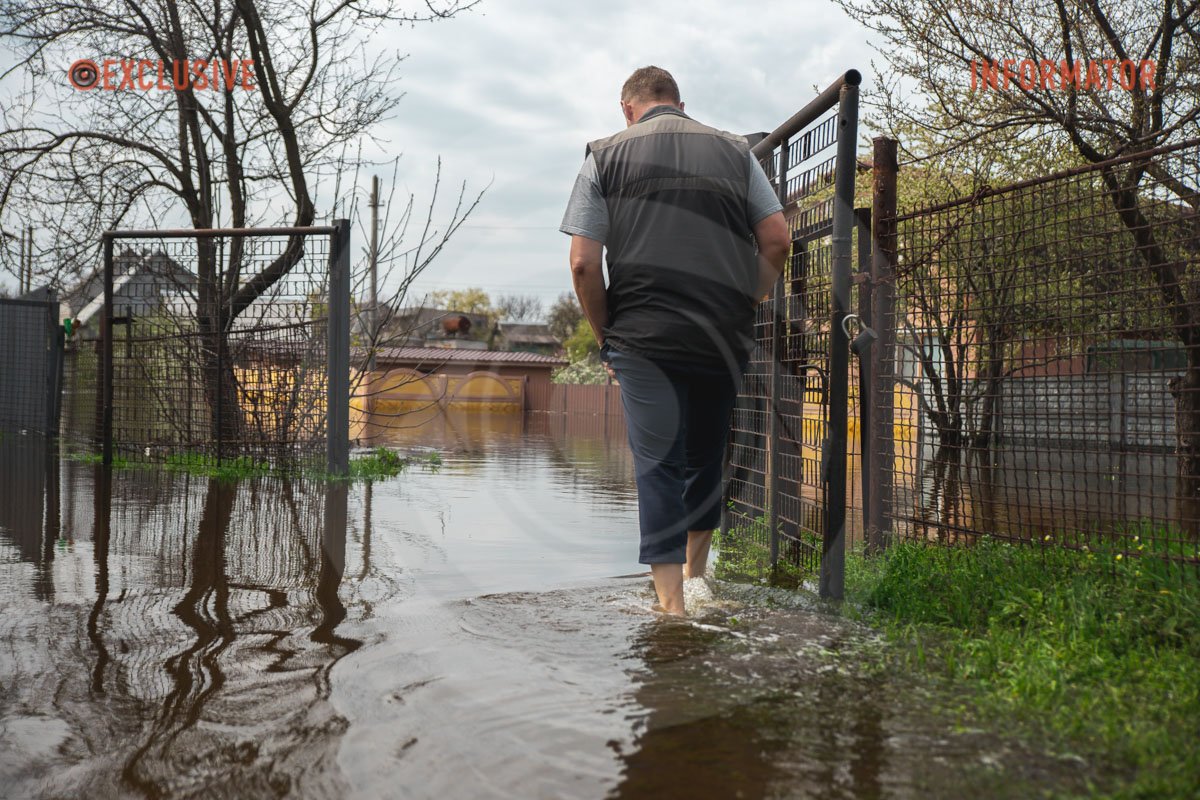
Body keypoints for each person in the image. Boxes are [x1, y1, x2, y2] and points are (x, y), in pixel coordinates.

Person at [560, 66, 790, 615]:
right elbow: (778, 240)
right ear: (679, 103)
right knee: (706, 457)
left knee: (659, 464)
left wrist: (607, 339)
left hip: (642, 337)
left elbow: (583, 263)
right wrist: (746, 303)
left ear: (628, 108)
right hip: (721, 333)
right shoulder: (736, 152)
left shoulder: (605, 154)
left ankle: (672, 609)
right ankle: (697, 580)